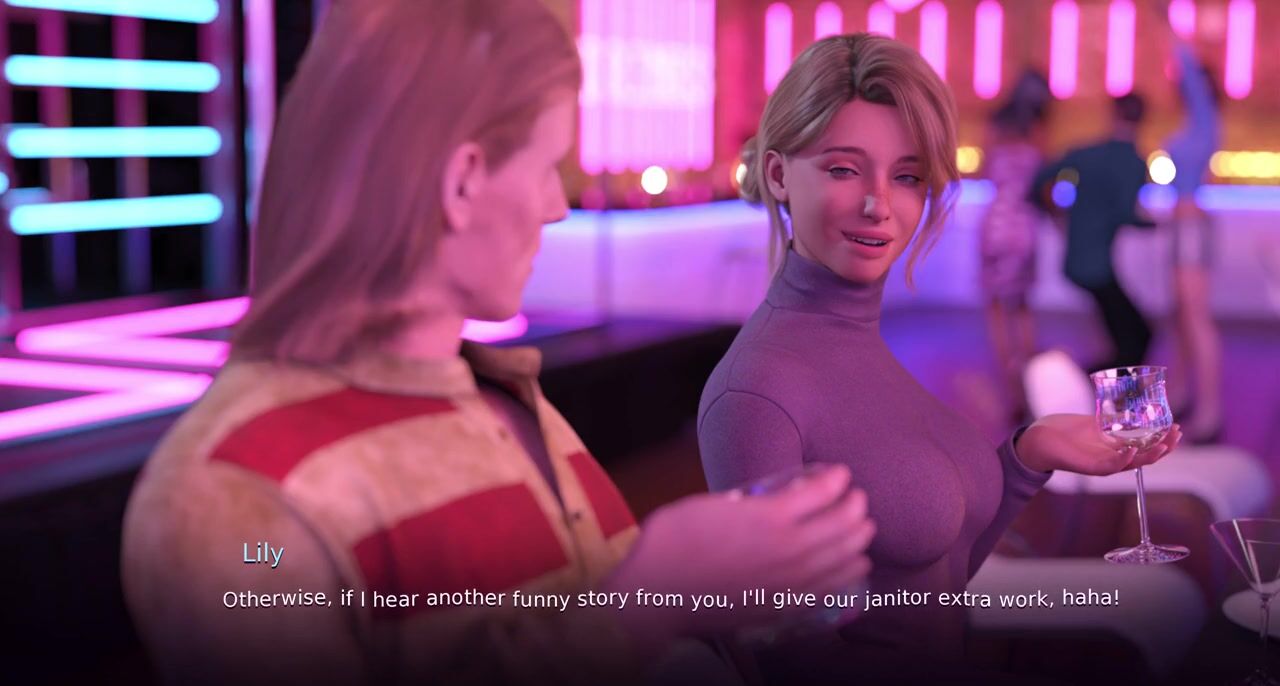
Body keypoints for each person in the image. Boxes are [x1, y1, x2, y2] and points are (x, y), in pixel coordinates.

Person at [120, 2, 876, 684]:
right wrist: (645, 606)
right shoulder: (234, 490)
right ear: (463, 182)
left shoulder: (499, 400)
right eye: (546, 166)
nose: (554, 208)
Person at [697, 34, 1182, 677]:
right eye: (843, 169)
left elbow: (933, 580)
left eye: (907, 176)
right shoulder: (756, 395)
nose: (879, 204)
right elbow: (794, 663)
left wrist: (1029, 453)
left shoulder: (856, 343)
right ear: (779, 175)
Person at [1030, 93, 1155, 372]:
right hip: (1097, 266)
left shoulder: (1084, 154)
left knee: (1128, 333)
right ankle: (1106, 384)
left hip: (1079, 259)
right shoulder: (1135, 163)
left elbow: (1039, 180)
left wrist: (1055, 213)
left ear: (1114, 114)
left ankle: (1104, 378)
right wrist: (1157, 225)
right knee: (1138, 336)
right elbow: (1125, 213)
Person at [1154, 0, 1224, 443]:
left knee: (1195, 317)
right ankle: (1180, 395)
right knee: (1182, 315)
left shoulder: (1203, 118)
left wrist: (1165, 21)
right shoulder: (1197, 123)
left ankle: (1211, 412)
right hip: (1186, 226)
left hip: (1191, 226)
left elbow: (1186, 64)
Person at [978, 100, 1046, 423]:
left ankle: (1011, 387)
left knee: (995, 308)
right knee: (1022, 308)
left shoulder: (995, 151)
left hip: (995, 230)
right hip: (1024, 231)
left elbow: (982, 175)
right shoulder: (1036, 154)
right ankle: (1030, 385)